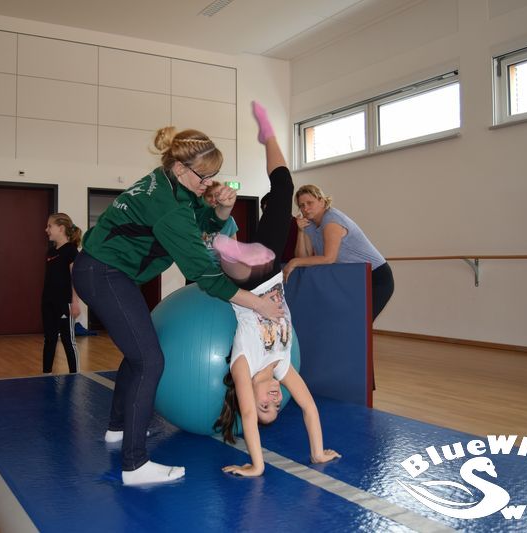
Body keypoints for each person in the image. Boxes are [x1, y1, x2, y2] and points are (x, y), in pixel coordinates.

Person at [73, 126, 284, 486]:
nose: (209, 183)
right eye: (204, 176)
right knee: (149, 360)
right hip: (104, 273)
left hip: (104, 271)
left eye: (214, 176)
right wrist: (256, 304)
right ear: (181, 166)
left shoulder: (169, 182)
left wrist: (222, 208)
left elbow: (201, 222)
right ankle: (135, 465)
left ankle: (118, 428)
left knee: (137, 352)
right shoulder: (168, 207)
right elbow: (206, 275)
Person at [212, 102, 340, 476]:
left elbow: (248, 418)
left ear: (250, 400)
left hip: (247, 287)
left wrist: (257, 466)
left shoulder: (243, 365)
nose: (273, 401)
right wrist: (317, 453)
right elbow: (309, 407)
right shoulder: (283, 367)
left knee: (240, 266)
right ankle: (267, 132)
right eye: (276, 406)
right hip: (270, 273)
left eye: (264, 406)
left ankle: (223, 245)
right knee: (284, 188)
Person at [284, 184, 394, 320]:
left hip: (377, 277)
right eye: (301, 205)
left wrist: (294, 262)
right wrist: (301, 231)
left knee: (359, 323)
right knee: (349, 322)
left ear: (322, 201)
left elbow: (328, 258)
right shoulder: (309, 224)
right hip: (355, 277)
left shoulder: (332, 220)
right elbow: (303, 258)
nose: (305, 208)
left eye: (309, 203)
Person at [42, 213, 82, 374]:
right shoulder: (50, 251)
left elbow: (75, 278)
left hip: (65, 302)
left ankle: (75, 375)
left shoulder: (71, 251)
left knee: (67, 340)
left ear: (61, 228)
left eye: (49, 226)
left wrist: (75, 302)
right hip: (48, 301)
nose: (46, 230)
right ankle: (46, 374)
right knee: (49, 339)